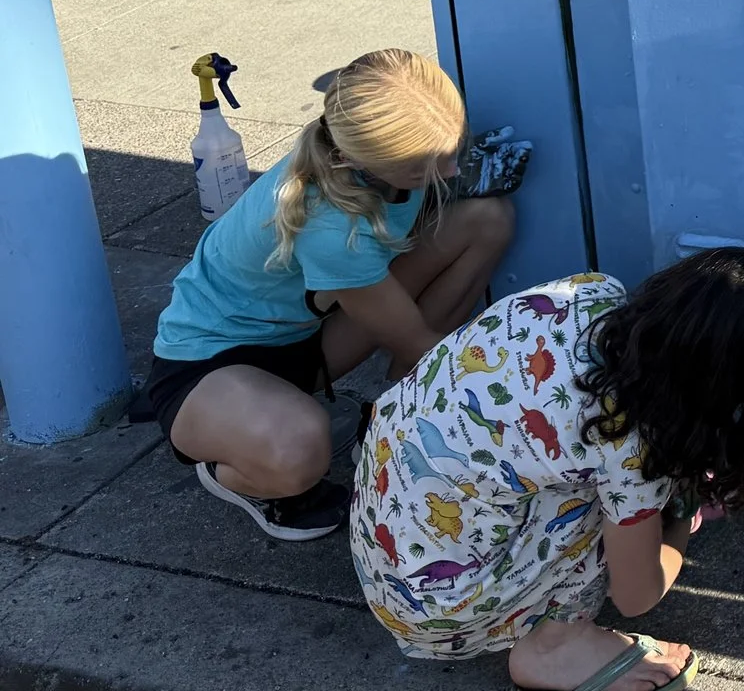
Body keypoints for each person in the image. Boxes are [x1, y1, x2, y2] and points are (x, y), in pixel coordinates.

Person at [349, 248, 744, 691]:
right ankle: (556, 647)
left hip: (383, 531)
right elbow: (636, 595)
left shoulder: (592, 293)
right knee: (604, 500)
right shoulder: (630, 445)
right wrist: (679, 516)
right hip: (439, 611)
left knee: (564, 466)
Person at [138, 49, 515, 542]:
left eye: (453, 149)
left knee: (487, 219)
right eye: (423, 169)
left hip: (305, 335)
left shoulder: (376, 152)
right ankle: (238, 471)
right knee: (300, 450)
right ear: (355, 159)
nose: (448, 172)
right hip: (208, 364)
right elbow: (416, 340)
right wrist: (516, 411)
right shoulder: (331, 226)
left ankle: (391, 415)